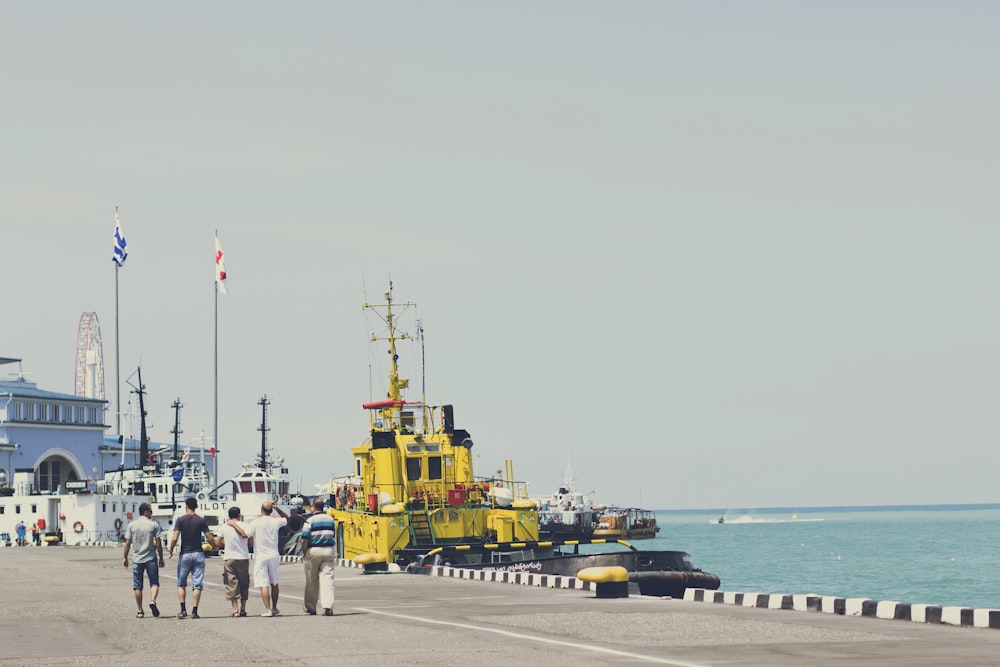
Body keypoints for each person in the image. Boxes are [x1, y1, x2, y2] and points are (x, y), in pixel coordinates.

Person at [167, 496, 215, 619]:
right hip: (198, 553)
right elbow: (209, 537)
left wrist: (171, 550)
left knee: (181, 583)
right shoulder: (201, 520)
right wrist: (214, 546)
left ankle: (183, 610)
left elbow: (174, 538)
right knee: (197, 584)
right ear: (196, 506)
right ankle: (194, 611)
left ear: (186, 506)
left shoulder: (180, 520)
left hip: (185, 554)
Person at [245, 500, 288, 617]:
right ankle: (274, 608)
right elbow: (287, 518)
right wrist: (277, 508)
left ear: (261, 510)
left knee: (263, 583)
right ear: (271, 511)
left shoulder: (255, 522)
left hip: (261, 555)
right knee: (274, 582)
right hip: (273, 554)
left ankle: (267, 609)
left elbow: (246, 534)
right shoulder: (275, 521)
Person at [122, 502, 165, 618]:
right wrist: (161, 557)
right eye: (150, 511)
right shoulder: (154, 525)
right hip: (151, 558)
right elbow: (159, 543)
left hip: (137, 559)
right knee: (154, 582)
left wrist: (125, 557)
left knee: (137, 585)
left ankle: (140, 611)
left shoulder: (132, 525)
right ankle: (153, 601)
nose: (152, 513)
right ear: (146, 512)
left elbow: (127, 543)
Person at [300, 497, 336, 616]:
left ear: (313, 507)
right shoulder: (331, 520)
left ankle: (310, 607)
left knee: (312, 581)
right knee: (328, 579)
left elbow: (304, 539)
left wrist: (304, 553)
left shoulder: (310, 521)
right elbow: (333, 535)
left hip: (313, 551)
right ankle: (328, 607)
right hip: (328, 551)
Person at [214, 505, 252, 617]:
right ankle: (243, 608)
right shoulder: (246, 525)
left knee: (231, 583)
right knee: (244, 583)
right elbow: (250, 543)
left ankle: (235, 610)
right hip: (243, 557)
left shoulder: (224, 527)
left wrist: (224, 544)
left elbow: (217, 543)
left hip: (229, 557)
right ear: (239, 515)